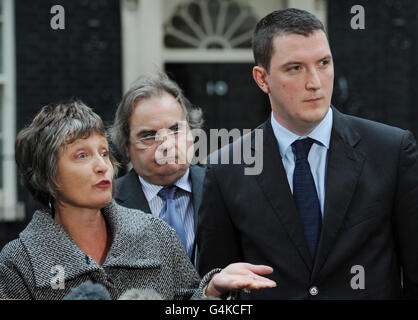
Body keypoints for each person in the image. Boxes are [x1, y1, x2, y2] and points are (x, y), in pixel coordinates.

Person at [196, 8, 418, 299]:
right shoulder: (226, 168)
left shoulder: (391, 151)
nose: (315, 82)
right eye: (295, 68)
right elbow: (216, 283)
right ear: (262, 79)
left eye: (323, 63)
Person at [0, 101, 276, 300]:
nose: (102, 166)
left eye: (104, 153)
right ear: (45, 175)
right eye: (82, 155)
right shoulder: (17, 262)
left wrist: (211, 291)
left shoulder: (158, 235)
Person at [111, 73, 204, 264]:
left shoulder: (224, 190)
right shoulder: (107, 204)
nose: (166, 145)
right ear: (127, 146)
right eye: (149, 135)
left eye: (176, 130)